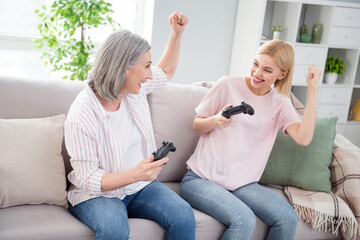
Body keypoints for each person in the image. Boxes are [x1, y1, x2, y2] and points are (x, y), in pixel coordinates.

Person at [65, 11, 195, 240]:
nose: (148, 75)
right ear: (124, 68)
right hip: (97, 195)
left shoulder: (134, 90)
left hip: (140, 187)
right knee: (115, 229)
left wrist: (176, 34)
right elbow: (88, 179)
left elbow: (165, 72)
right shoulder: (82, 114)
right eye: (146, 66)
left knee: (183, 215)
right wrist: (135, 174)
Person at [180, 39, 322, 240]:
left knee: (287, 218)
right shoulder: (227, 84)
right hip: (200, 179)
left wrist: (313, 90)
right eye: (255, 64)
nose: (256, 73)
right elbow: (197, 124)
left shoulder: (280, 103)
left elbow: (304, 138)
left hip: (242, 185)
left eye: (266, 70)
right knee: (244, 219)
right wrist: (216, 120)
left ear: (282, 75)